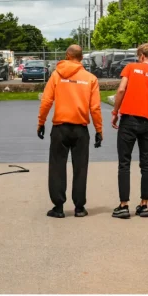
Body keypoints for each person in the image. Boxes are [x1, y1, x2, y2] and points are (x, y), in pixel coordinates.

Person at [37, 45, 103, 218]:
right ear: (81, 58)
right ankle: (79, 208)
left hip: (60, 128)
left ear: (67, 56)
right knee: (80, 168)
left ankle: (58, 208)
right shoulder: (90, 79)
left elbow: (46, 101)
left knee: (57, 167)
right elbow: (95, 108)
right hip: (81, 129)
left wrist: (41, 122)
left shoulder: (56, 75)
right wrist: (98, 130)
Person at [110, 43, 148, 219]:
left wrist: (115, 112)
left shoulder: (131, 68)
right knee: (146, 163)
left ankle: (123, 205)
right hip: (146, 123)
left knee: (124, 163)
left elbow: (121, 89)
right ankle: (144, 205)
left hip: (129, 120)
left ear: (142, 56)